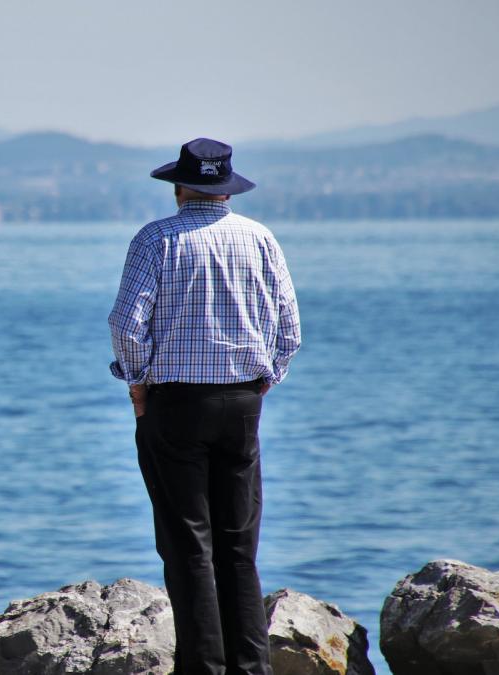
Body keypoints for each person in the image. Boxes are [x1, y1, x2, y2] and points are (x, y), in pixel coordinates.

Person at [108, 138, 301, 675]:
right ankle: (251, 668)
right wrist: (266, 380)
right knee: (238, 549)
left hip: (173, 407)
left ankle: (204, 670)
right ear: (226, 188)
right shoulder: (260, 238)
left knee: (188, 545)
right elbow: (290, 329)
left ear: (179, 186)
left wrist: (138, 383)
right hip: (242, 404)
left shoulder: (155, 239)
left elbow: (126, 326)